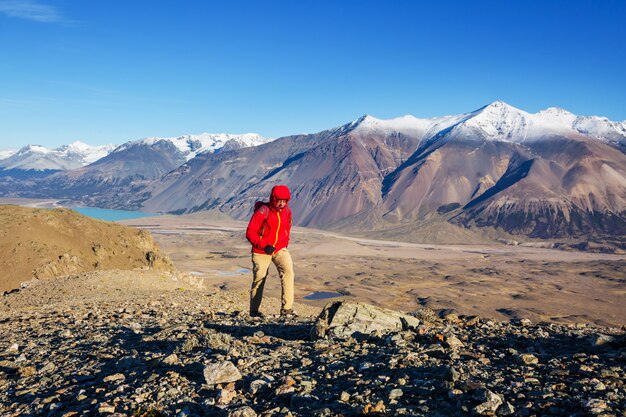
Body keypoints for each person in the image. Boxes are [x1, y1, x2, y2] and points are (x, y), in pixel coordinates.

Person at [246, 185, 295, 318]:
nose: (282, 203)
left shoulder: (287, 211)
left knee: (288, 272)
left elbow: (287, 229)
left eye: (285, 201)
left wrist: (284, 244)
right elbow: (250, 232)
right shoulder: (263, 210)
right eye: (279, 200)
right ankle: (254, 311)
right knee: (260, 278)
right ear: (273, 199)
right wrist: (264, 245)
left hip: (279, 248)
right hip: (261, 250)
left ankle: (287, 309)